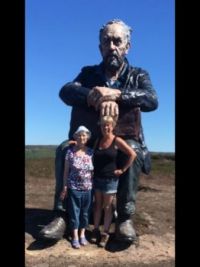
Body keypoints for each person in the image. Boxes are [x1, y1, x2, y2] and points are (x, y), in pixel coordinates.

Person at [40, 19, 158, 244]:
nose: (111, 46)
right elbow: (66, 91)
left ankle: (124, 218)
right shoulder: (88, 73)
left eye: (117, 41)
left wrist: (118, 95)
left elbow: (151, 99)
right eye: (106, 41)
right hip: (90, 139)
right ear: (100, 47)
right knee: (65, 149)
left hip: (123, 140)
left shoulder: (139, 75)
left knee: (131, 150)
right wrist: (93, 94)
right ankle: (62, 215)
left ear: (127, 46)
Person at [91, 115, 136, 247]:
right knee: (97, 206)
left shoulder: (117, 140)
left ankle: (105, 233)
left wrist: (122, 169)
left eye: (108, 125)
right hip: (97, 178)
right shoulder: (98, 141)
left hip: (110, 180)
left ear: (112, 126)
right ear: (101, 127)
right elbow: (92, 155)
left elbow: (132, 154)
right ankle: (95, 230)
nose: (106, 127)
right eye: (103, 125)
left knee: (108, 207)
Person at [60, 125, 94, 248]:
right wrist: (64, 187)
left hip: (88, 188)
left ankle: (82, 235)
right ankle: (74, 236)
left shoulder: (91, 152)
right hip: (74, 187)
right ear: (76, 137)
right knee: (75, 212)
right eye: (79, 135)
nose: (81, 137)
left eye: (84, 135)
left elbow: (93, 171)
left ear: (87, 137)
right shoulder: (70, 152)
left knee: (85, 213)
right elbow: (65, 171)